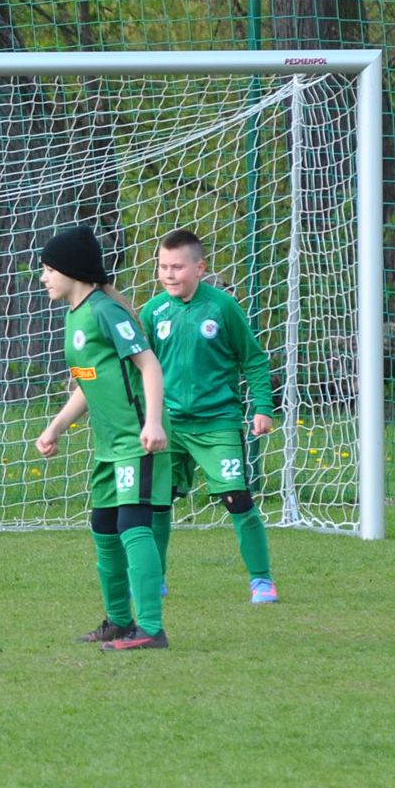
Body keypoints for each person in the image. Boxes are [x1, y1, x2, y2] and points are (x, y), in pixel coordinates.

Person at [33, 224, 172, 651]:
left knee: (132, 524)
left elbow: (149, 366)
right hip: (109, 447)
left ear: (72, 271)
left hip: (137, 440)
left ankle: (150, 629)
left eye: (48, 269)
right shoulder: (74, 316)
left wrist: (152, 423)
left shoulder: (105, 312)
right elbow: (88, 385)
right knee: (104, 527)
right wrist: (55, 427)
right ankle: (117, 620)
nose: (43, 277)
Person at [140, 230, 281, 603]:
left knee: (237, 498)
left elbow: (252, 358)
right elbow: (140, 368)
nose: (169, 274)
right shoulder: (153, 312)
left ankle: (262, 580)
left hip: (216, 422)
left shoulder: (222, 307)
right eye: (163, 266)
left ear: (199, 268)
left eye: (177, 267)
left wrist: (263, 407)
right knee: (157, 501)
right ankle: (155, 578)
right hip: (167, 424)